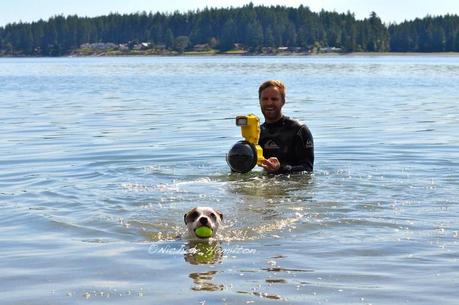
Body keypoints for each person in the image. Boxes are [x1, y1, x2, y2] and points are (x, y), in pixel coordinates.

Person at [258, 80, 314, 174]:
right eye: (265, 99)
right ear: (259, 101)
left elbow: (307, 168)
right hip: (263, 183)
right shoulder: (257, 132)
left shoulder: (299, 129)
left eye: (274, 99)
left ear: (283, 101)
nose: (269, 103)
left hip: (292, 186)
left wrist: (279, 169)